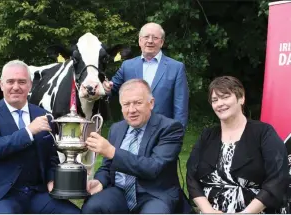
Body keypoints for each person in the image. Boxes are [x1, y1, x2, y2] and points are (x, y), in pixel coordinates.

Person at [0, 60, 80, 214]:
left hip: (38, 193)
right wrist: (29, 131)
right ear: (1, 84)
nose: (16, 87)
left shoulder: (42, 114)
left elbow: (51, 157)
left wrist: (51, 179)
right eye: (10, 81)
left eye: (22, 82)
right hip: (2, 195)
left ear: (30, 85)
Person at [186, 76, 288, 213]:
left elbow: (277, 178)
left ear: (241, 98)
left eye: (225, 97)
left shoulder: (264, 133)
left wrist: (246, 213)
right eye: (215, 100)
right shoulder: (207, 135)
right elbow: (191, 178)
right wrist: (207, 211)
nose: (219, 103)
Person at [81, 79, 186, 213]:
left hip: (154, 194)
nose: (131, 110)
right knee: (92, 207)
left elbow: (153, 168)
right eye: (126, 104)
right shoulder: (116, 129)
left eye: (137, 103)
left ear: (151, 103)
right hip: (119, 191)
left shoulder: (170, 128)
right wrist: (100, 181)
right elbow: (107, 166)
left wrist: (112, 151)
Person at [103, 22, 189, 128]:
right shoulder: (127, 66)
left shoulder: (176, 68)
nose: (150, 41)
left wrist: (177, 134)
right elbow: (112, 88)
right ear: (140, 41)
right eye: (146, 37)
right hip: (132, 130)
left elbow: (180, 107)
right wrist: (107, 87)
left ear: (161, 42)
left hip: (162, 131)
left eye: (155, 38)